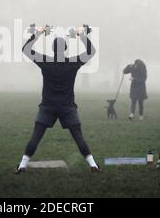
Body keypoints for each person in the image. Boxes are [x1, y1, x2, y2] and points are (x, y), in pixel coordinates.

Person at [15, 26, 100, 174]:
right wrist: (81, 35)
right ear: (65, 49)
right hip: (67, 106)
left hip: (47, 105)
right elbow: (91, 51)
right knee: (78, 136)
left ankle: (22, 165)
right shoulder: (72, 63)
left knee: (36, 135)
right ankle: (93, 165)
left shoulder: (46, 61)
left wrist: (39, 33)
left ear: (53, 49)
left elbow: (26, 49)